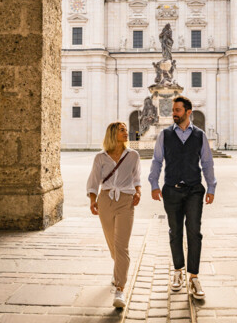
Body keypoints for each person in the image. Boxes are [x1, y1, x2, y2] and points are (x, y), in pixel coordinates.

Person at [148, 96, 216, 299]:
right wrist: (154, 184)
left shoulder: (200, 135)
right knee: (175, 231)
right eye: (173, 110)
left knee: (194, 232)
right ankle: (177, 271)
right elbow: (157, 160)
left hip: (194, 189)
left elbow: (207, 162)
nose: (173, 113)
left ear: (188, 111)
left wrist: (211, 186)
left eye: (177, 110)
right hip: (172, 190)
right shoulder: (164, 135)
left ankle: (194, 276)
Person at [86, 122, 141, 308]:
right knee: (112, 243)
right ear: (112, 134)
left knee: (121, 245)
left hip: (126, 200)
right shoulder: (100, 158)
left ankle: (120, 289)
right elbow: (93, 181)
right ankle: (118, 269)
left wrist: (138, 192)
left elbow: (137, 178)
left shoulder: (133, 155)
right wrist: (93, 200)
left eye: (126, 130)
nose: (127, 133)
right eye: (122, 130)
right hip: (105, 200)